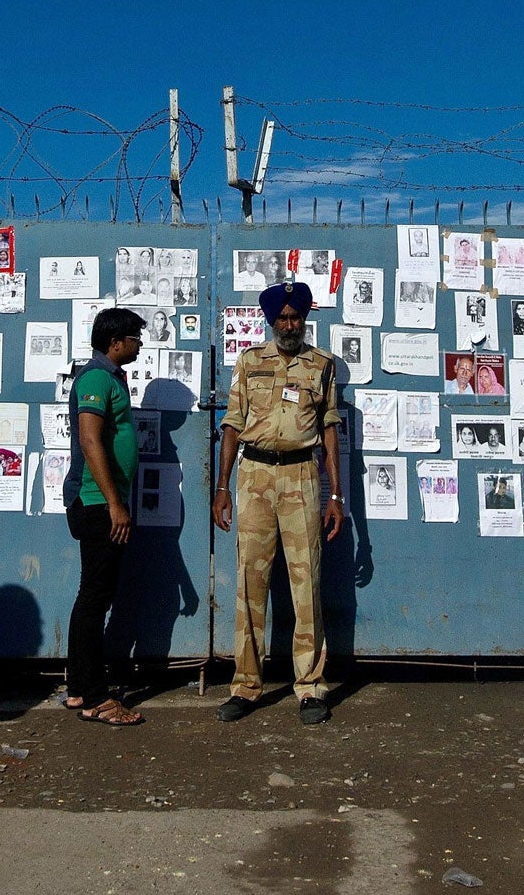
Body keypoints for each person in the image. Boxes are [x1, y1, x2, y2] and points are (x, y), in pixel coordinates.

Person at [213, 281, 342, 726]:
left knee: (307, 583)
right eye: (282, 318)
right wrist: (222, 486)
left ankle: (309, 686)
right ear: (271, 321)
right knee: (251, 581)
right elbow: (231, 423)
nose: (290, 325)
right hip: (254, 477)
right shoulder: (250, 362)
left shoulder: (322, 365)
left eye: (296, 317)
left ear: (305, 319)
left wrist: (336, 495)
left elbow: (329, 430)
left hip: (302, 475)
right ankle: (247, 684)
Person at [60, 306, 146, 727]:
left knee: (92, 596)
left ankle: (78, 688)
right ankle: (96, 697)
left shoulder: (110, 378)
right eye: (135, 338)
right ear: (116, 342)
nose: (139, 344)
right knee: (95, 599)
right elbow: (90, 440)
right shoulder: (95, 378)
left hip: (102, 502)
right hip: (96, 504)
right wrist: (115, 503)